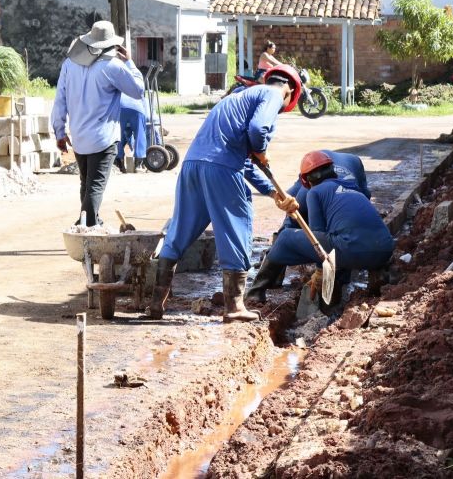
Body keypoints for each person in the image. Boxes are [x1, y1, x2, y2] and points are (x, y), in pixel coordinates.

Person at [150, 64, 303, 323]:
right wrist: (262, 150)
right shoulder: (272, 94)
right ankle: (234, 306)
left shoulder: (236, 98)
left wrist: (271, 192)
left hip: (192, 167)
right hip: (220, 170)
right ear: (289, 91)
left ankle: (155, 302)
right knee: (237, 229)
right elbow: (257, 131)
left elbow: (243, 161)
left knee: (179, 231)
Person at [247, 151, 394, 307]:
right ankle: (375, 280)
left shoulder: (312, 192)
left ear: (306, 180)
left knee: (286, 237)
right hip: (385, 250)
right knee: (343, 232)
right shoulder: (355, 189)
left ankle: (256, 291)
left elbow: (316, 238)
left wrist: (319, 270)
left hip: (351, 250)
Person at [51, 21, 145, 226]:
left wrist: (59, 131)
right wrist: (130, 62)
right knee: (95, 187)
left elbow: (60, 99)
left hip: (78, 137)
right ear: (112, 45)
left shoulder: (70, 64)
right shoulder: (113, 66)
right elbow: (138, 91)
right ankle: (87, 227)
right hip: (103, 138)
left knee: (86, 185)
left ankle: (89, 221)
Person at [114, 93, 149, 173]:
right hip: (138, 109)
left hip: (120, 107)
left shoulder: (120, 89)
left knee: (117, 135)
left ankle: (118, 163)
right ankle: (138, 164)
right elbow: (146, 116)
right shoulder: (138, 93)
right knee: (140, 135)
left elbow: (127, 135)